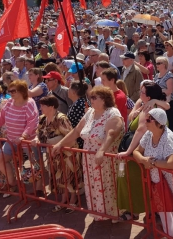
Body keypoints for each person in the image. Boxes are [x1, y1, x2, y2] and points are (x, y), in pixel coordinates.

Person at [51, 86, 124, 222]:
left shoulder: (112, 113)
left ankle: (113, 214)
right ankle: (100, 213)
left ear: (104, 99)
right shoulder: (90, 112)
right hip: (89, 159)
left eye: (94, 97)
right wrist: (61, 144)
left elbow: (111, 134)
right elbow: (77, 131)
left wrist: (101, 151)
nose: (91, 100)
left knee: (108, 187)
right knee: (94, 187)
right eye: (90, 97)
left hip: (105, 160)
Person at [117, 81, 170, 220]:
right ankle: (147, 211)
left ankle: (148, 211)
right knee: (145, 182)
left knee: (142, 182)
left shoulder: (151, 110)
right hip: (148, 152)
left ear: (149, 96)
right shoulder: (148, 106)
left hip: (144, 153)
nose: (139, 94)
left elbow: (140, 131)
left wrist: (128, 151)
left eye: (142, 92)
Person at [133, 108, 173, 239]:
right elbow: (136, 151)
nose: (145, 122)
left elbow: (172, 163)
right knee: (162, 208)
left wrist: (151, 163)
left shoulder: (168, 137)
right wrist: (142, 159)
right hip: (158, 180)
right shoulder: (148, 134)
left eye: (148, 119)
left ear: (158, 123)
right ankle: (170, 234)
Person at [0, 80, 39, 196]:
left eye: (13, 91)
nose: (10, 93)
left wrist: (23, 136)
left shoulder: (29, 103)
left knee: (34, 166)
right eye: (9, 90)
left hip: (27, 141)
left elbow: (32, 122)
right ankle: (13, 183)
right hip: (11, 140)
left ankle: (38, 190)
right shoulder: (10, 102)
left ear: (22, 91)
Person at [31, 95, 82, 213]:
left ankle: (73, 199)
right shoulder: (42, 119)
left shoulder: (61, 119)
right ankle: (64, 199)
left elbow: (71, 136)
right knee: (59, 178)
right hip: (53, 154)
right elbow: (39, 133)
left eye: (43, 105)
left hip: (68, 153)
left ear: (52, 107)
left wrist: (58, 143)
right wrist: (37, 139)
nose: (41, 107)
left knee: (69, 177)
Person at [153, 57, 173, 134]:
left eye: (159, 63)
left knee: (170, 124)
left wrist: (158, 91)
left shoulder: (169, 75)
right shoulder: (156, 75)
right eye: (156, 63)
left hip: (168, 103)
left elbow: (170, 90)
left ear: (164, 64)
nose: (157, 65)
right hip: (159, 102)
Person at [67, 81, 88, 149]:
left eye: (69, 88)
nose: (68, 90)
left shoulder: (79, 104)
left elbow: (76, 125)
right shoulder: (77, 103)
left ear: (74, 92)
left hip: (79, 141)